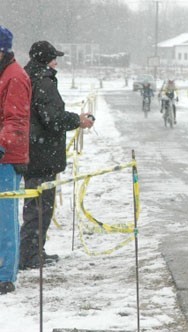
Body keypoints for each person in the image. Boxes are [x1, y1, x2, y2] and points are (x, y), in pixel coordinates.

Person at [19, 41, 95, 270]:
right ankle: (31, 256)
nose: (57, 62)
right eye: (54, 58)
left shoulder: (30, 76)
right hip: (42, 155)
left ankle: (33, 252)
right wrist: (78, 120)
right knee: (40, 207)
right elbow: (52, 118)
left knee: (36, 205)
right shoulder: (43, 81)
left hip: (34, 152)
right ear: (45, 60)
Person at [0, 26, 32, 294]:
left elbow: (16, 122)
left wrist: (0, 146)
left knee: (5, 218)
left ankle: (5, 276)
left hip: (6, 160)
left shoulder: (15, 77)